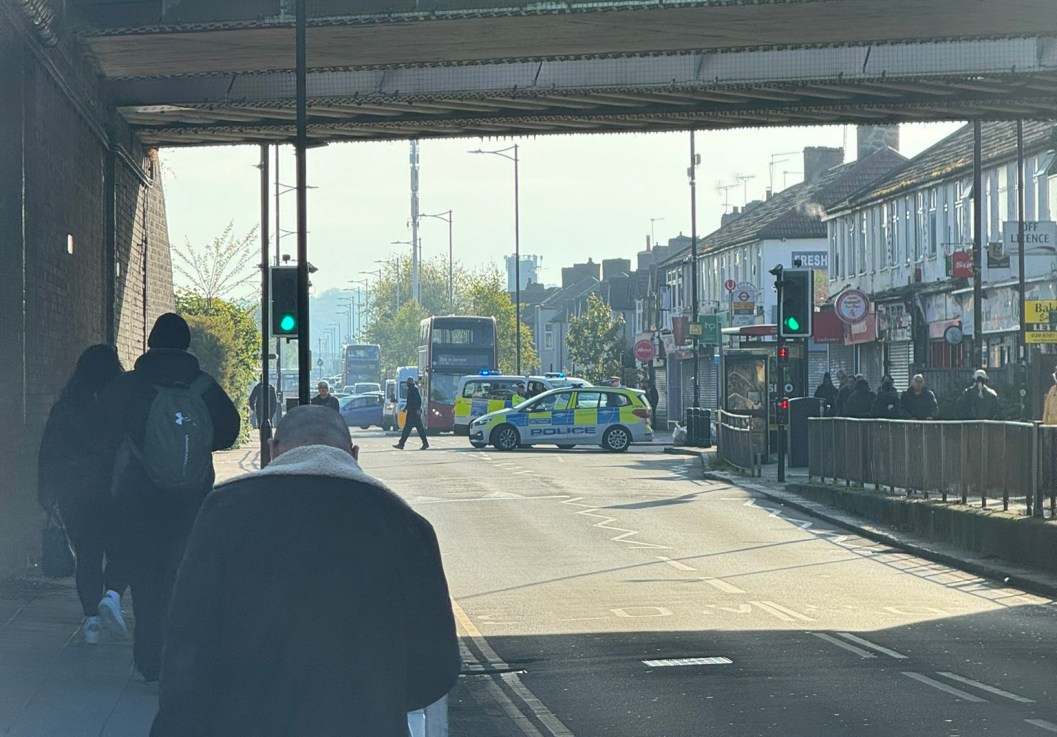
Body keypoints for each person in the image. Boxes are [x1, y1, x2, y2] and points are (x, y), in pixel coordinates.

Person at [150, 406, 459, 737]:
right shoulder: (406, 526)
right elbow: (437, 668)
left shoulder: (224, 512)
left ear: (272, 450)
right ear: (354, 454)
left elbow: (188, 641)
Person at [92, 313, 240, 681]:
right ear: (187, 343)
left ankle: (149, 659)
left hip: (139, 495)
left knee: (146, 577)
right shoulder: (205, 387)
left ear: (151, 342)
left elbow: (101, 431)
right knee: (180, 578)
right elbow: (228, 432)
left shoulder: (131, 385)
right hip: (192, 498)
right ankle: (179, 659)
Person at [37, 345, 128, 644]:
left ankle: (90, 621)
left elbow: (49, 451)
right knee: (120, 549)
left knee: (87, 556)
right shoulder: (121, 403)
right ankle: (112, 595)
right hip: (115, 490)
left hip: (75, 492)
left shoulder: (66, 406)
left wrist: (46, 494)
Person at [394, 376, 429, 450]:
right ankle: (425, 443)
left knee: (407, 429)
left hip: (413, 413)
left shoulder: (413, 389)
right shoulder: (412, 389)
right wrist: (405, 408)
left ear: (410, 382)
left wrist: (417, 409)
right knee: (419, 429)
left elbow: (417, 401)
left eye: (408, 382)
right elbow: (410, 402)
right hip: (413, 413)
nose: (407, 383)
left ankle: (401, 444)